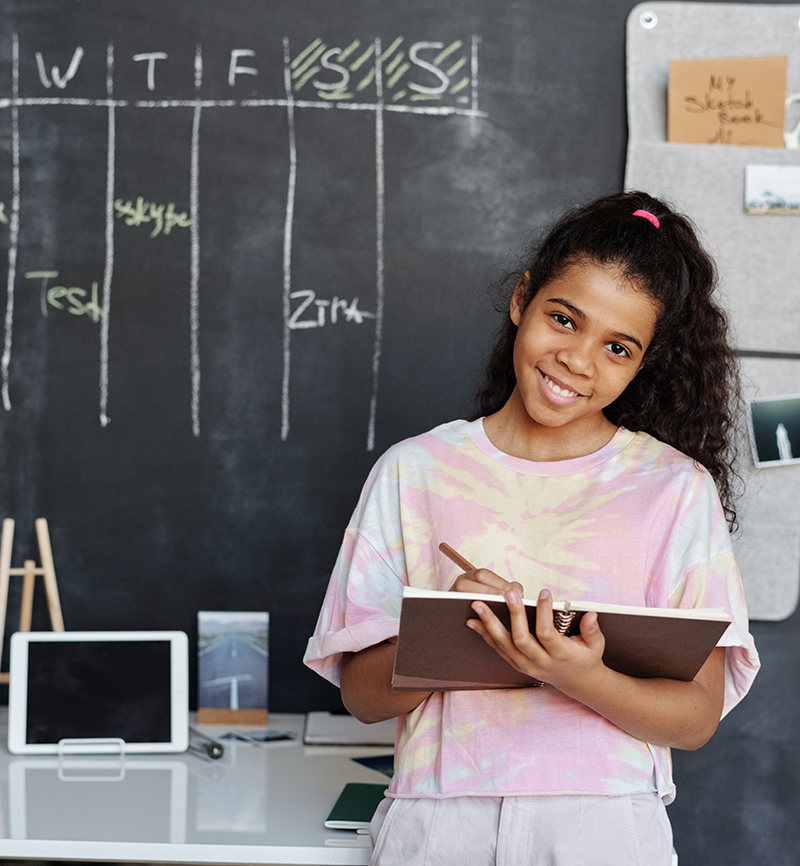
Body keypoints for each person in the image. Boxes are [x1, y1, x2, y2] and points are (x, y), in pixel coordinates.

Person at [304, 191, 760, 865]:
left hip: (601, 827)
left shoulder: (672, 492)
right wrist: (463, 632)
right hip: (438, 821)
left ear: (644, 362)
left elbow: (695, 717)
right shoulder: (415, 472)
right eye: (564, 319)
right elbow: (363, 696)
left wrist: (578, 674)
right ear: (524, 300)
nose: (578, 360)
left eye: (617, 346)